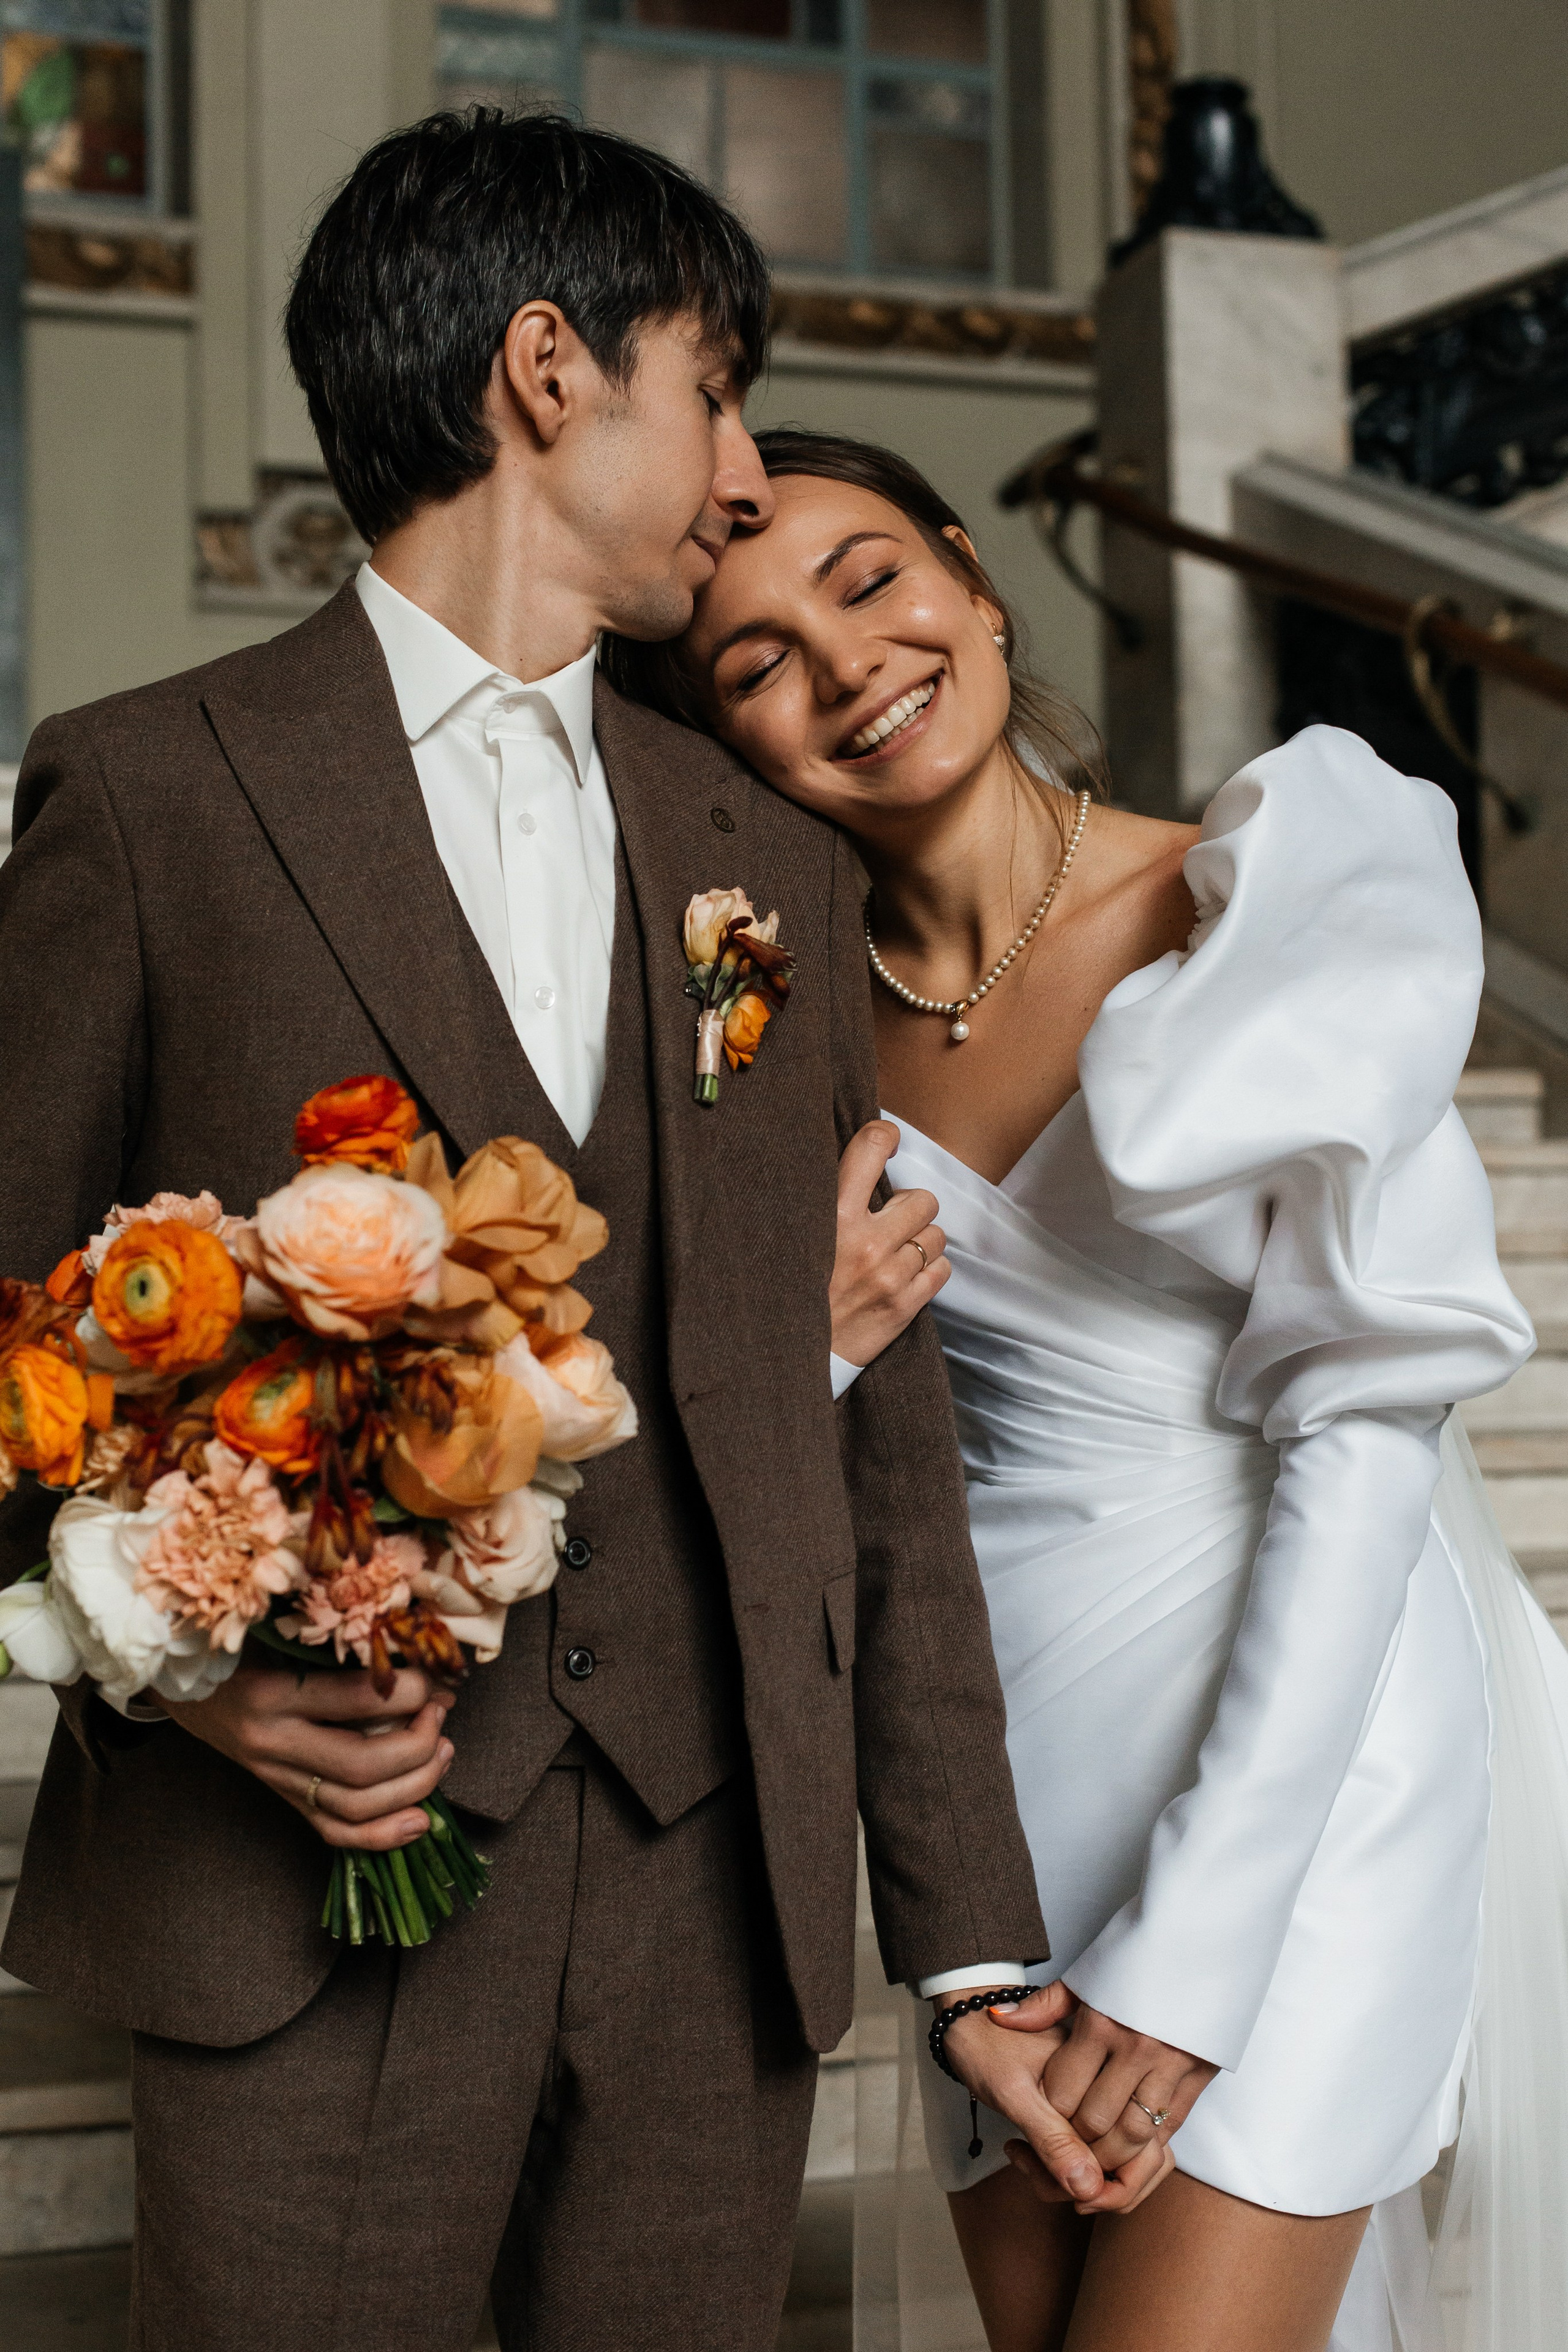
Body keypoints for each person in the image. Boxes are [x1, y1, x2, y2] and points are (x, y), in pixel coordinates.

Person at [0, 120, 1134, 2352]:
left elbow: (873, 1435)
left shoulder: (758, 848)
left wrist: (975, 1943)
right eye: (711, 388)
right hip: (310, 1901)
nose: (737, 470)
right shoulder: (148, 795)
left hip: (710, 1912)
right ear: (547, 370)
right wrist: (193, 1679)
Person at [608, 426, 1568, 2352]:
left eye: (869, 579)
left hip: (1320, 1713)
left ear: (969, 577)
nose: (846, 661)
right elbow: (713, 1433)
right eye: (755, 659)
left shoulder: (1282, 892)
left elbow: (1366, 1442)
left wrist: (1204, 1950)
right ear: (723, 742)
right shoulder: (757, 1026)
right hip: (1000, 1749)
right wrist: (795, 1335)